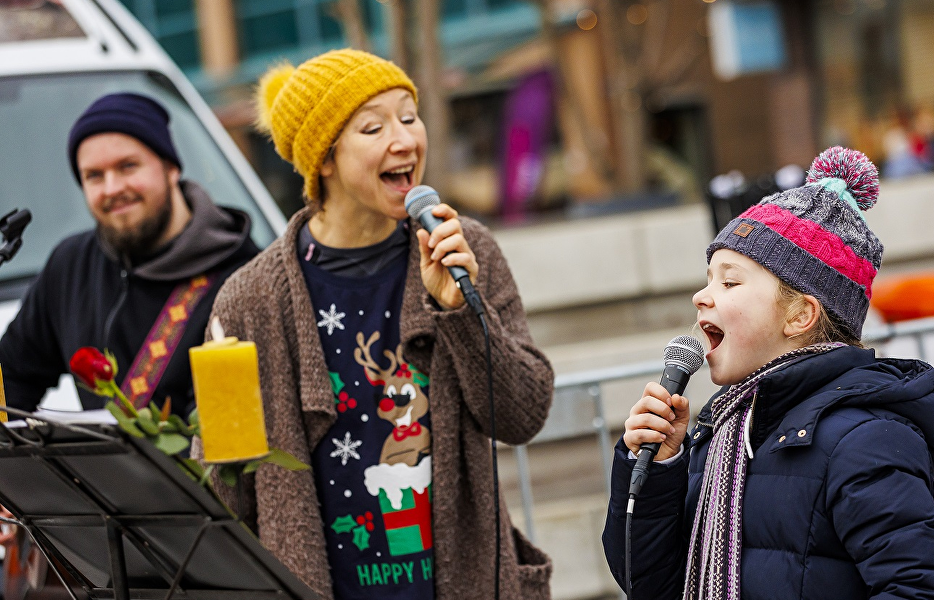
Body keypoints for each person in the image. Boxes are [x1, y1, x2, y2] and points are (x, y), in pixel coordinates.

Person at [202, 49, 554, 600]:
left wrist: (460, 313)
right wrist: (223, 422)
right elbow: (229, 499)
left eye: (409, 117)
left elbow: (522, 415)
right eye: (373, 127)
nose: (405, 140)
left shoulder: (466, 247)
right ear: (323, 159)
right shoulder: (250, 300)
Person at [602, 147, 934, 599]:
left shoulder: (862, 440)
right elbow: (649, 583)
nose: (701, 296)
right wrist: (657, 468)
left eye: (729, 282)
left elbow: (922, 589)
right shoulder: (724, 431)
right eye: (707, 278)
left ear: (798, 316)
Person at [0, 92, 259, 418]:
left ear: (170, 168)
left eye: (128, 166)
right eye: (94, 176)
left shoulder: (246, 276)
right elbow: (13, 372)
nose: (112, 188)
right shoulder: (70, 266)